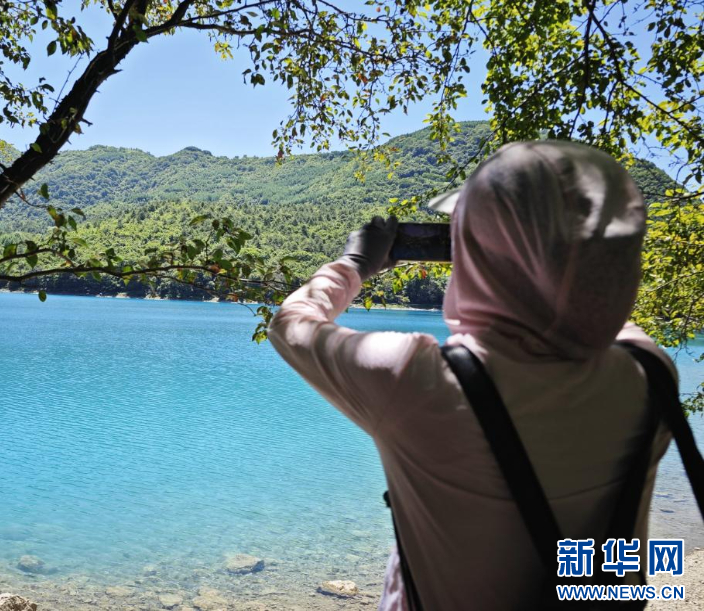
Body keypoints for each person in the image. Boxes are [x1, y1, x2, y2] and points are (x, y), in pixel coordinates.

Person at [267, 141, 677, 610]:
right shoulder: (651, 372)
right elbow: (584, 304)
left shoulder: (422, 382)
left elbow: (291, 324)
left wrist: (354, 265)